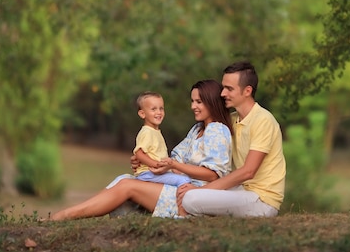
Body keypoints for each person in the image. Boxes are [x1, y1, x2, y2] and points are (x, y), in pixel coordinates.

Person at [48, 79, 233, 220]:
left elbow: (213, 175)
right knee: (124, 178)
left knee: (128, 186)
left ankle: (66, 215)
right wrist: (151, 162)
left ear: (211, 102)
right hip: (178, 183)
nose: (193, 106)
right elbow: (174, 161)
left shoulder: (217, 130)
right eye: (193, 101)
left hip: (192, 193)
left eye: (199, 102)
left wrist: (173, 165)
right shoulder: (197, 129)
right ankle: (75, 211)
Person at [177, 61, 286, 217]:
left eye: (229, 89)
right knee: (183, 189)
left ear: (247, 91)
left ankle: (193, 213)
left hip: (262, 199)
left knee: (190, 198)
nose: (222, 94)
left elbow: (248, 171)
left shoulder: (263, 120)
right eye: (223, 88)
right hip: (239, 190)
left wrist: (201, 191)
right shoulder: (231, 120)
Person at [131, 91, 191, 187]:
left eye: (161, 108)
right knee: (184, 180)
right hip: (149, 173)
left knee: (182, 177)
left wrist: (170, 168)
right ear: (142, 114)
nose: (159, 112)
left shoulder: (155, 131)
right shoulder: (147, 132)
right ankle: (179, 201)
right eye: (153, 109)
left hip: (155, 173)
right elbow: (139, 154)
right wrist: (156, 165)